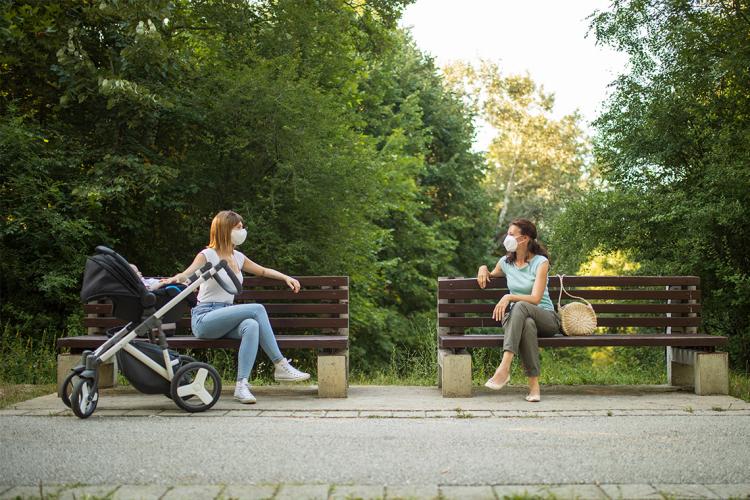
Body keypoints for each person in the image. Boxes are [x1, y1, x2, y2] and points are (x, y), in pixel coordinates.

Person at [161, 210, 310, 404]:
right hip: (205, 317)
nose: (243, 231)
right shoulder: (208, 254)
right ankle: (280, 364)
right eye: (238, 228)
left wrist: (285, 277)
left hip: (225, 316)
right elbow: (187, 275)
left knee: (251, 325)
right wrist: (173, 279)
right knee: (257, 309)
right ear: (225, 230)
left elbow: (263, 270)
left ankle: (242, 386)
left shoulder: (237, 257)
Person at [476, 218, 560, 402]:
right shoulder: (505, 263)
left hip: (545, 317)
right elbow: (490, 273)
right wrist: (482, 268)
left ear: (525, 238)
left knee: (521, 305)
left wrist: (509, 297)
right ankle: (534, 388)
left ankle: (504, 367)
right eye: (508, 234)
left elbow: (536, 299)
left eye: (512, 234)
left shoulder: (541, 262)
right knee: (527, 324)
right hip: (519, 319)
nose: (507, 238)